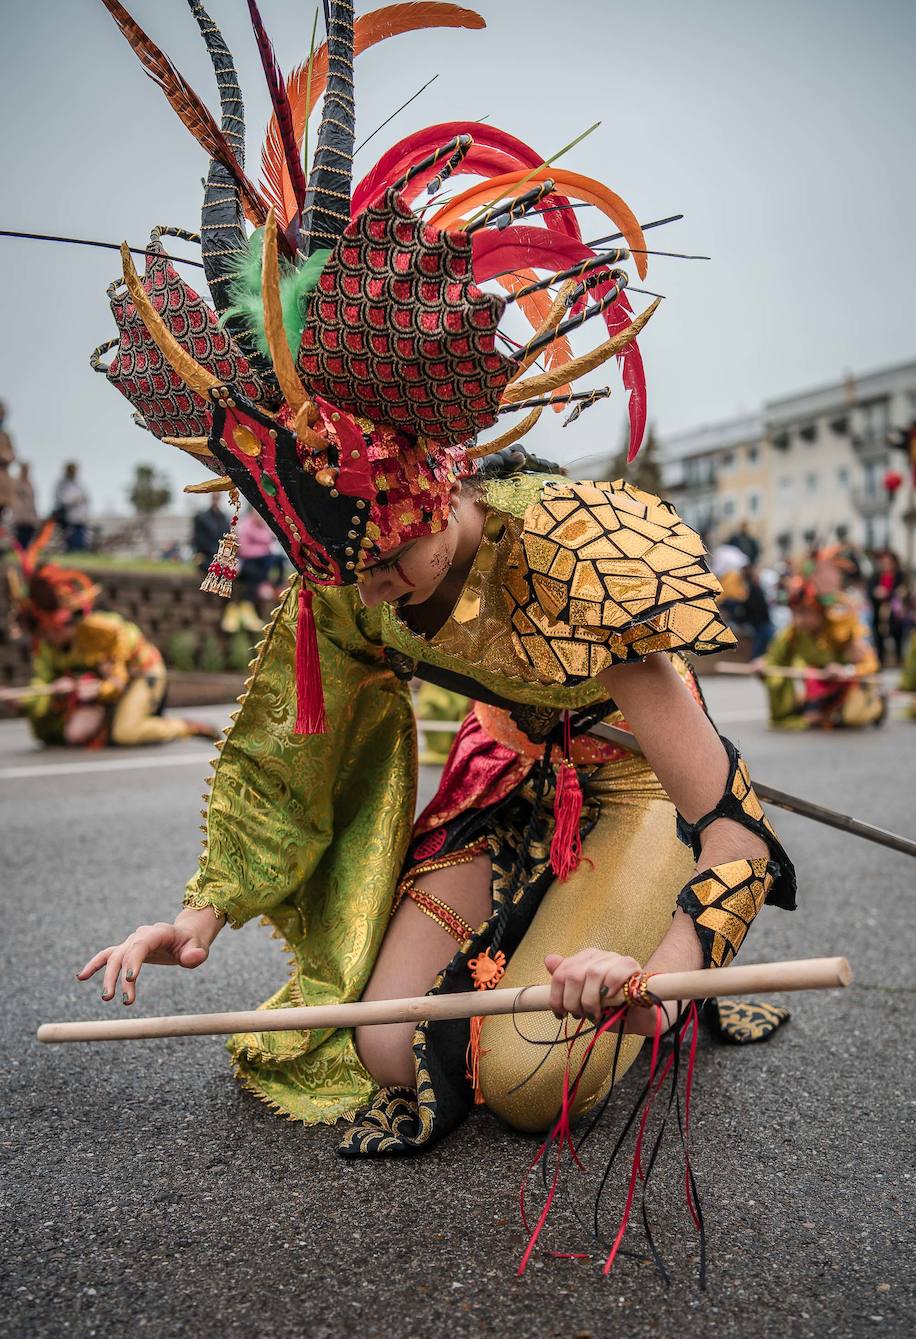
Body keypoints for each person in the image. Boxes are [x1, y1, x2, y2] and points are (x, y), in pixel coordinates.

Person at [75, 0, 796, 1159]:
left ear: (435, 481)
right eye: (344, 572)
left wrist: (657, 976)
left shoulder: (573, 550)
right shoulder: (348, 584)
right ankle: (519, 948)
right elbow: (285, 758)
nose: (372, 593)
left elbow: (735, 827)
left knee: (532, 1082)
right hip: (496, 777)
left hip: (632, 786)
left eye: (387, 558)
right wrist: (196, 917)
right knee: (380, 1047)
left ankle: (618, 972)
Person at [12, 531, 218, 747]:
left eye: (47, 632)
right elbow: (43, 683)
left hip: (141, 674)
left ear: (61, 624)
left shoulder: (105, 631)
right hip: (97, 688)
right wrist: (26, 699)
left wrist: (96, 688)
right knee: (45, 729)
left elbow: (118, 680)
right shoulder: (46, 646)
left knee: (126, 733)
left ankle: (185, 727)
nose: (45, 639)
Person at [763, 552, 885, 729]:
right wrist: (764, 666)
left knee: (850, 717)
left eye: (805, 613)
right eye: (795, 612)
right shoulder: (792, 633)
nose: (799, 620)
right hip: (819, 687)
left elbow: (870, 664)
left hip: (848, 686)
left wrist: (846, 671)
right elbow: (775, 662)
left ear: (821, 611)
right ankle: (815, 710)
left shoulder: (841, 629)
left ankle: (872, 704)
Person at [52, 461, 90, 552]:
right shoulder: (62, 484)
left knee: (81, 542)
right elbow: (62, 499)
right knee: (71, 541)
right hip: (69, 518)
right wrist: (76, 500)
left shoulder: (78, 484)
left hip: (80, 518)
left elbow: (85, 498)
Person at [191, 492, 228, 577]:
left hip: (220, 557)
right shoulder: (202, 518)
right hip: (207, 557)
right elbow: (199, 541)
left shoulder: (223, 518)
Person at [11, 460, 38, 548]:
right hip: (20, 518)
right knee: (21, 541)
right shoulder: (16, 482)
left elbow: (33, 501)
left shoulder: (30, 483)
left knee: (29, 541)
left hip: (30, 518)